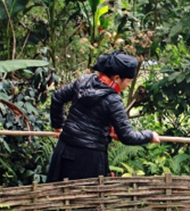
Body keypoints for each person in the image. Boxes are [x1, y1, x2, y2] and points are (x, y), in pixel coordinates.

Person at [46, 51, 160, 182]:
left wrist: (58, 126)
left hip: (64, 149)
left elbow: (57, 97)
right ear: (116, 78)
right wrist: (150, 135)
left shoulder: (84, 81)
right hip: (89, 159)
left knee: (60, 196)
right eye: (128, 81)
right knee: (87, 200)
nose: (128, 85)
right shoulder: (113, 100)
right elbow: (127, 136)